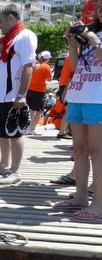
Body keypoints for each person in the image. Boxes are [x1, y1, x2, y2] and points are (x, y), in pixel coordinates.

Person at [53, 8, 102, 221]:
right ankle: (80, 196)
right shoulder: (92, 32)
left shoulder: (94, 37)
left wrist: (95, 42)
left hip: (98, 99)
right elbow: (75, 65)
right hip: (79, 94)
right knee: (80, 150)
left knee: (97, 152)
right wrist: (72, 42)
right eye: (100, 8)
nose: (101, 11)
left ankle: (99, 203)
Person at [0, 4, 37, 185]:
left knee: (16, 134)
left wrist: (21, 94)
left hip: (13, 95)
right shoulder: (8, 40)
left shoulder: (25, 36)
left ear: (11, 18)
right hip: (1, 96)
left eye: (0, 21)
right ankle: (3, 165)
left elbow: (28, 66)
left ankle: (15, 171)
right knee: (3, 133)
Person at [27, 51, 52, 135]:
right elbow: (49, 79)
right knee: (39, 111)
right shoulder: (46, 66)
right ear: (46, 59)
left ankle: (28, 127)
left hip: (30, 89)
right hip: (39, 91)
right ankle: (32, 129)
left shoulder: (34, 65)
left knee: (31, 110)